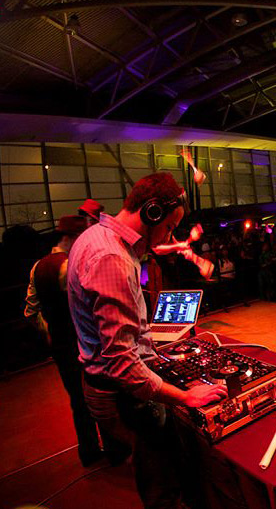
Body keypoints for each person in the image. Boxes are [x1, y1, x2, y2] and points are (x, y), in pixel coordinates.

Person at [67, 173, 227, 508]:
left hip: (103, 384)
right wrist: (186, 397)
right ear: (152, 213)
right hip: (119, 393)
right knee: (163, 482)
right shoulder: (112, 258)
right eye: (170, 226)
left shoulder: (94, 235)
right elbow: (124, 366)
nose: (169, 235)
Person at [24, 215, 127, 466]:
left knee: (77, 401)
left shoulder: (37, 267)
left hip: (60, 347)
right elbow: (90, 307)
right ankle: (115, 450)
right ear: (73, 238)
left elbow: (30, 311)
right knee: (100, 394)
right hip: (85, 344)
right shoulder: (72, 266)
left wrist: (50, 332)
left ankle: (89, 452)